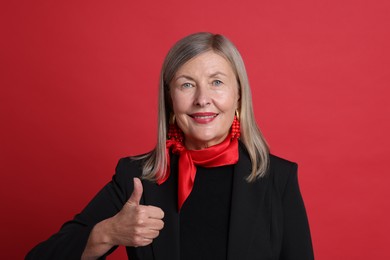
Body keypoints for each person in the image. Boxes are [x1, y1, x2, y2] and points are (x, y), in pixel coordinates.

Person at [26, 32, 314, 260]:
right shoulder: (135, 177)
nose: (202, 99)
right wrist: (108, 232)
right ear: (170, 100)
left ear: (238, 96)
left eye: (216, 82)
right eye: (187, 85)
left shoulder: (279, 178)